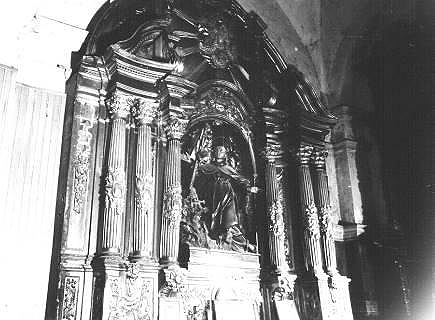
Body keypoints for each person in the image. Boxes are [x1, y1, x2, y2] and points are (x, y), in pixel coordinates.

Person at [194, 145, 255, 252]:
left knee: (229, 221)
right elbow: (197, 176)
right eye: (217, 150)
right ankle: (218, 240)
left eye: (221, 150)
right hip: (213, 198)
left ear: (225, 154)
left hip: (227, 196)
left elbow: (240, 179)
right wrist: (198, 162)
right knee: (213, 220)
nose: (219, 151)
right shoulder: (208, 167)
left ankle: (243, 244)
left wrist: (250, 188)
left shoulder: (228, 168)